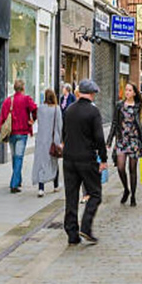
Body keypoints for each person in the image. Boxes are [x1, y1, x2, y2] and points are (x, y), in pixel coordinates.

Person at [62, 80, 108, 245]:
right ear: (92, 94)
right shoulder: (93, 112)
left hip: (69, 159)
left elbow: (64, 134)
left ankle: (72, 233)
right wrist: (103, 159)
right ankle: (86, 226)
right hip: (86, 159)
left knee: (71, 196)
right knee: (95, 193)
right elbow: (99, 138)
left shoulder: (69, 110)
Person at [107, 83, 142, 207]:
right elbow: (114, 123)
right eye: (126, 90)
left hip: (134, 141)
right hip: (122, 140)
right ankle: (126, 188)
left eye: (130, 90)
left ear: (134, 93)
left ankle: (133, 195)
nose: (127, 92)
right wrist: (109, 141)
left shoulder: (139, 107)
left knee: (133, 169)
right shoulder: (119, 106)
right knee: (120, 167)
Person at [0, 79, 37, 193]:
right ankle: (14, 184)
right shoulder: (26, 99)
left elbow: (3, 116)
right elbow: (35, 109)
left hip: (11, 133)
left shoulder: (8, 101)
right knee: (19, 157)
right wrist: (32, 120)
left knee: (15, 157)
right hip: (22, 132)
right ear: (23, 88)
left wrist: (1, 129)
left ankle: (18, 179)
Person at [33, 89, 63, 197]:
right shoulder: (57, 109)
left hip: (41, 139)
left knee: (42, 163)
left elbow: (39, 122)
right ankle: (55, 185)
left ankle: (41, 188)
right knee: (54, 162)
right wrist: (61, 140)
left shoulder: (40, 108)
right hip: (53, 140)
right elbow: (59, 125)